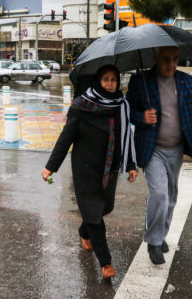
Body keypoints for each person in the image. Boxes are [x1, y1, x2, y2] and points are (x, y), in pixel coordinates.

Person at [41, 65, 138, 279]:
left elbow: (126, 137)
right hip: (85, 168)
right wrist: (51, 166)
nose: (110, 84)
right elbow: (66, 138)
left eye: (113, 79)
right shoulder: (82, 106)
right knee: (94, 212)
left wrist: (130, 164)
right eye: (105, 79)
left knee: (104, 208)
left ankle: (84, 231)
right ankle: (106, 264)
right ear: (97, 81)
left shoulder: (120, 105)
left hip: (109, 167)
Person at [127, 46, 192, 265]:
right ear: (155, 57)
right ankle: (154, 242)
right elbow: (127, 110)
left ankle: (160, 234)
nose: (171, 64)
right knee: (160, 195)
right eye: (166, 59)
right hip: (152, 149)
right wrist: (141, 117)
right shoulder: (141, 81)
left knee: (171, 197)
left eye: (175, 59)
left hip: (176, 148)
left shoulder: (185, 82)